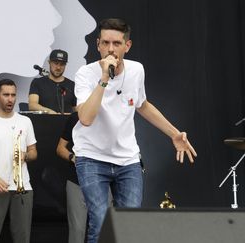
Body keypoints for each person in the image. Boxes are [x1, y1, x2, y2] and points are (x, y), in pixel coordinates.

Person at [73, 18, 197, 243]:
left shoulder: (137, 70)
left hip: (127, 160)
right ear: (98, 44)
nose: (111, 49)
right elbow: (86, 118)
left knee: (130, 223)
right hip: (91, 157)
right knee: (100, 221)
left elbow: (143, 105)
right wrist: (103, 79)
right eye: (106, 43)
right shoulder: (85, 74)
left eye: (117, 43)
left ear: (127, 46)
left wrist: (174, 134)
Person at [0, 79, 38, 243]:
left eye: (13, 95)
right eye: (6, 95)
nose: (10, 99)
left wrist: (26, 156)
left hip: (23, 187)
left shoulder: (25, 121)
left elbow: (34, 152)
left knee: (22, 237)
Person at [56, 112, 87, 243]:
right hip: (77, 180)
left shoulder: (110, 114)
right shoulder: (76, 117)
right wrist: (72, 157)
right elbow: (60, 148)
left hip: (104, 182)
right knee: (77, 230)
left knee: (104, 228)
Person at [28, 49, 77, 114]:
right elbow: (32, 105)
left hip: (66, 123)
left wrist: (69, 115)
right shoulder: (37, 82)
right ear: (49, 62)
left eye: (62, 64)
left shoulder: (72, 85)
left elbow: (76, 109)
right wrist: (49, 112)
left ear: (65, 65)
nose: (58, 67)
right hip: (44, 122)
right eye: (56, 63)